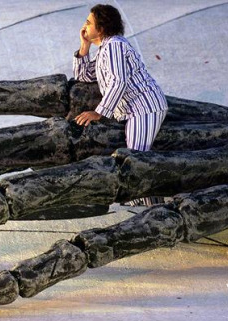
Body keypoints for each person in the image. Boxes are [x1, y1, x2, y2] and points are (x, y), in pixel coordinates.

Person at [73, 4, 168, 206]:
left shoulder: (115, 46)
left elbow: (119, 81)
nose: (84, 26)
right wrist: (84, 48)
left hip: (144, 107)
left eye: (89, 23)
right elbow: (84, 76)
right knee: (135, 160)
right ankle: (148, 208)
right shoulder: (104, 50)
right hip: (133, 110)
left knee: (136, 161)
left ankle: (155, 211)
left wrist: (99, 112)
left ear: (102, 27)